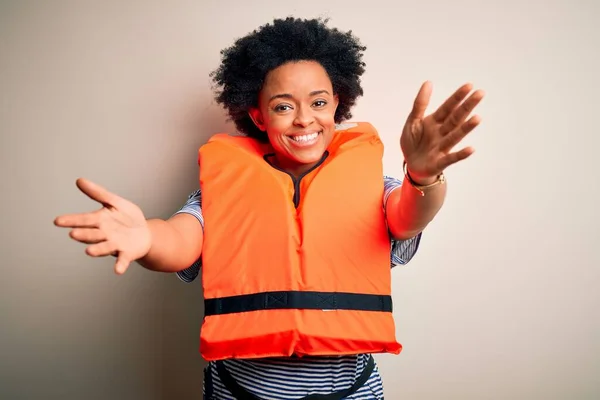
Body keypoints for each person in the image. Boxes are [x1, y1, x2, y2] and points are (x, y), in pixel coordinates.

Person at [54, 17, 483, 400]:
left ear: (338, 103)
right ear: (258, 116)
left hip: (350, 391)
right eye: (283, 107)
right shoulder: (224, 190)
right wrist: (147, 238)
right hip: (241, 392)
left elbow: (407, 217)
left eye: (318, 102)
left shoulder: (375, 185)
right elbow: (181, 240)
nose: (303, 119)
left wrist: (423, 176)